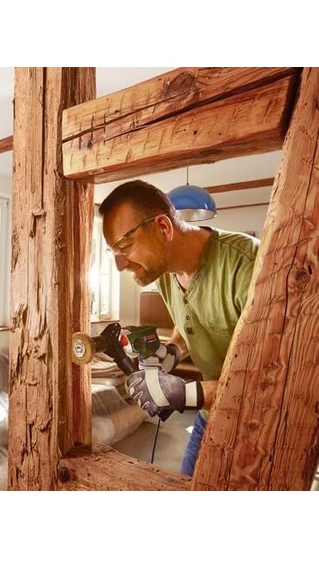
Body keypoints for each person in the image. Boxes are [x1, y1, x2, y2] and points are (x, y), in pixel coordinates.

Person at [98, 179, 259, 476]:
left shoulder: (249, 266)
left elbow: (270, 380)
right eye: (113, 253)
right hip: (213, 413)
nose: (120, 266)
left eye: (126, 246)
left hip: (263, 421)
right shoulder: (163, 272)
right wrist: (173, 350)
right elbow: (187, 322)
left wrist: (186, 393)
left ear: (163, 227)